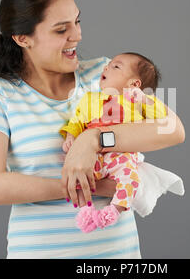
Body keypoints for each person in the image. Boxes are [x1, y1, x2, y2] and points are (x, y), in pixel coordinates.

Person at [0, 0, 185, 259]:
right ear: (23, 38)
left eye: (77, 22)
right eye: (61, 29)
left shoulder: (105, 74)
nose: (78, 35)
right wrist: (85, 186)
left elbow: (173, 129)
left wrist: (92, 139)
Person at [60, 52, 167, 233]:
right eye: (108, 65)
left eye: (115, 66)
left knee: (131, 179)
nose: (106, 67)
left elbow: (161, 118)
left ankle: (113, 211)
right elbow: (77, 121)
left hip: (122, 155)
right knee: (78, 176)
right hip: (92, 155)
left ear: (134, 84)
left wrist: (144, 99)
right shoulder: (90, 99)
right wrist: (70, 137)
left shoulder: (136, 103)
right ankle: (86, 210)